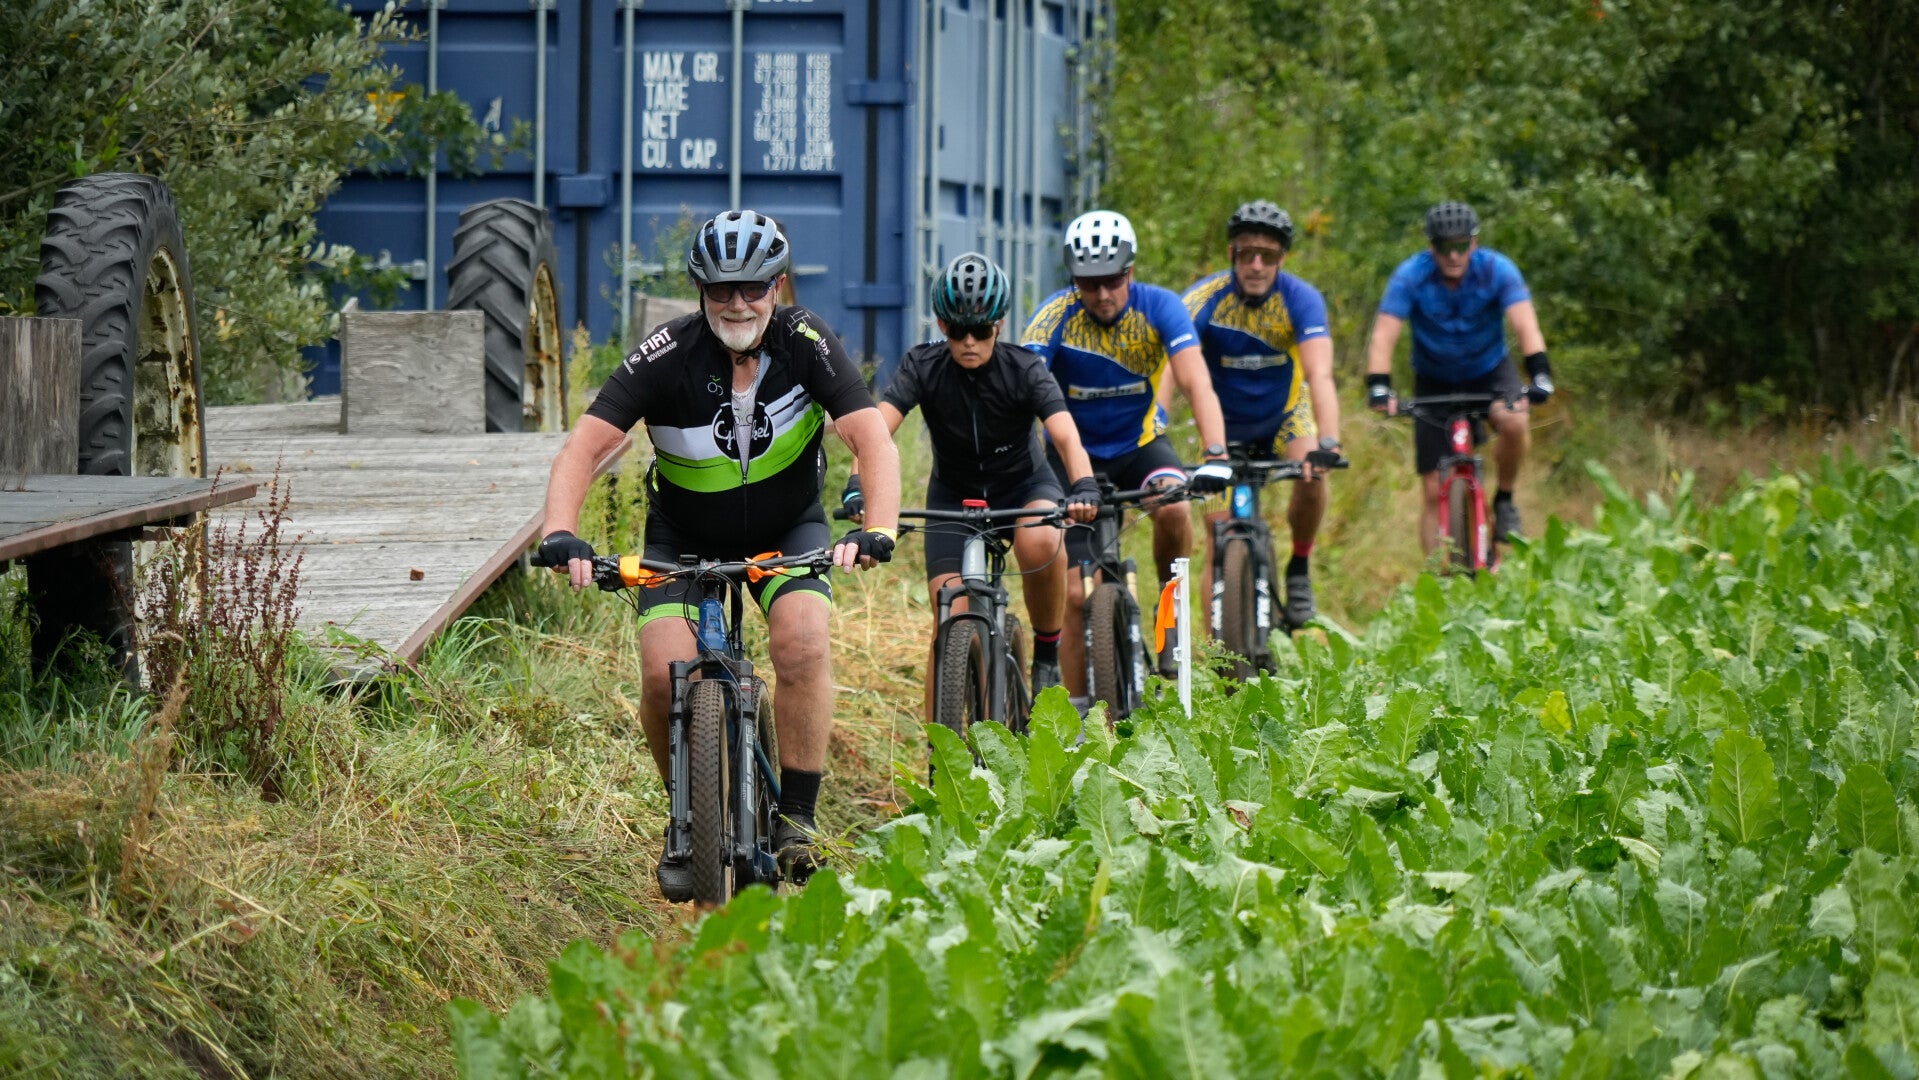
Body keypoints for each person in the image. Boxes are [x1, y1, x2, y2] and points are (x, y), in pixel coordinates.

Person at [535, 210, 901, 899]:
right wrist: (560, 531)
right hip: (682, 540)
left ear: (777, 287)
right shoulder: (666, 352)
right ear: (700, 291)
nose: (737, 303)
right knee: (660, 675)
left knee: (801, 643)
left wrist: (876, 527)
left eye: (753, 288)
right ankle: (688, 815)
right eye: (720, 290)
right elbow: (583, 448)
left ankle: (797, 819)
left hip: (786, 530)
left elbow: (871, 439)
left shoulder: (806, 339)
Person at [845, 253, 1100, 701]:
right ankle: (940, 742)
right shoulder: (923, 366)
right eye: (956, 330)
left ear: (998, 325)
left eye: (980, 331)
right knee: (948, 617)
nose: (968, 341)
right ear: (942, 325)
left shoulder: (1025, 368)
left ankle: (1046, 653)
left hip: (1024, 487)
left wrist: (1083, 484)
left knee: (1041, 539)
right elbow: (875, 431)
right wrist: (856, 486)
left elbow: (1065, 435)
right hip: (953, 495)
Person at [1021, 209, 1232, 692]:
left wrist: (1216, 454)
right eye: (1088, 283)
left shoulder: (1160, 306)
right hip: (1071, 459)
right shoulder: (1054, 315)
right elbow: (1021, 393)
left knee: (1174, 506)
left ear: (1130, 272)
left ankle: (1168, 605)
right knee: (1075, 594)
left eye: (1112, 281)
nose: (1102, 294)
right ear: (1073, 280)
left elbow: (1197, 382)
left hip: (1140, 447)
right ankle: (1080, 713)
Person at [1183, 200, 1344, 628]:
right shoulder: (1203, 299)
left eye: (1267, 256)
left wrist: (1329, 442)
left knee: (1312, 475)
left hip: (1283, 417)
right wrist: (1156, 426)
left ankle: (1299, 568)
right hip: (1221, 425)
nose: (1256, 265)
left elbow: (1320, 374)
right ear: (1231, 254)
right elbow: (1169, 368)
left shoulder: (1300, 299)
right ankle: (1220, 651)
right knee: (1218, 540)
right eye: (1246, 254)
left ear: (1282, 259)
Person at [1365, 201, 1552, 552]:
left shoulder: (1497, 270)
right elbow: (1384, 335)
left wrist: (1540, 374)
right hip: (1433, 378)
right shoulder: (1411, 275)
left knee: (1515, 420)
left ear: (1474, 243)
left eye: (1461, 246)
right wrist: (1379, 386)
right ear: (1430, 246)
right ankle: (1436, 577)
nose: (1453, 255)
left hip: (1489, 370)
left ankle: (1505, 499)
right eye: (1443, 247)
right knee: (1433, 490)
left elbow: (1525, 325)